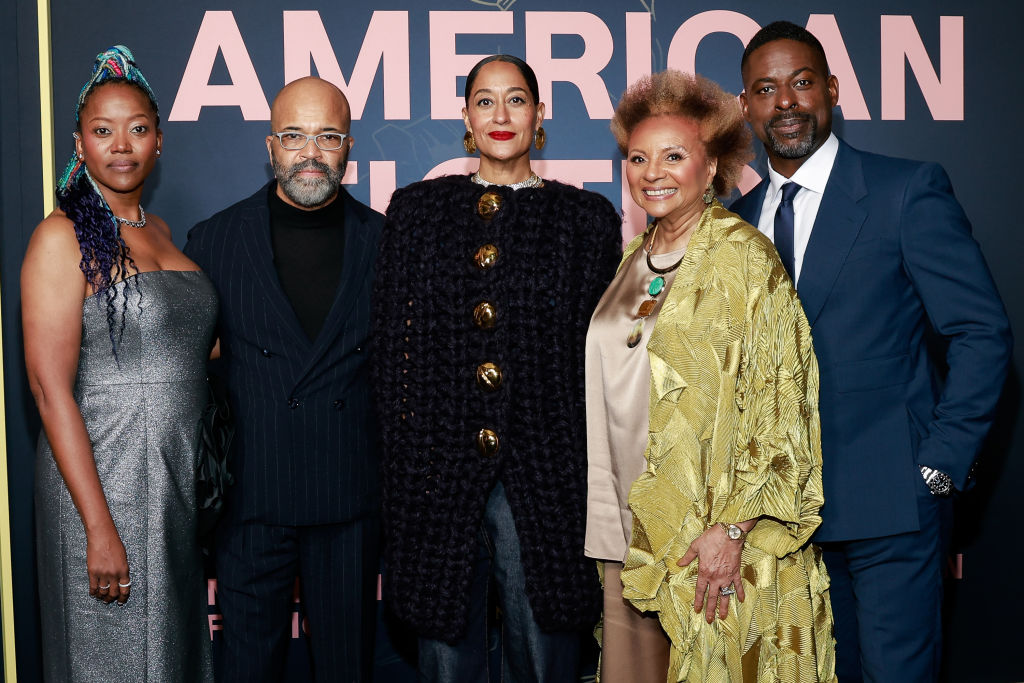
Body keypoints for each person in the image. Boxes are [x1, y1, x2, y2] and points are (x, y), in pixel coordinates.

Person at [730, 21, 1012, 682]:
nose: (787, 102)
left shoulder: (904, 191)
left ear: (830, 89)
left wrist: (939, 465)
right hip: (780, 523)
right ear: (745, 107)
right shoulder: (734, 223)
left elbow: (981, 331)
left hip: (891, 508)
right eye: (766, 90)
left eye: (802, 82)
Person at [372, 54, 622, 682]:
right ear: (465, 116)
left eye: (517, 99)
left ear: (541, 114)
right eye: (485, 100)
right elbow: (393, 350)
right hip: (436, 470)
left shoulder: (586, 221)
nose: (501, 114)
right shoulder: (416, 213)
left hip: (546, 470)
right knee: (445, 652)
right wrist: (406, 459)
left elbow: (601, 359)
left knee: (543, 648)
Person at [585, 68, 835, 682]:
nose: (653, 172)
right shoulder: (633, 260)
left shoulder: (744, 260)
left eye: (674, 156)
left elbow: (785, 409)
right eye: (638, 158)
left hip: (708, 546)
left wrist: (732, 530)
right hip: (625, 533)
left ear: (713, 163)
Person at [23, 46, 215, 682]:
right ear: (80, 143)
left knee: (168, 659)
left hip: (171, 493)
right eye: (103, 131)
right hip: (100, 487)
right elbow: (51, 392)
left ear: (159, 139)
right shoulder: (62, 237)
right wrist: (99, 527)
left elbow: (183, 347)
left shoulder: (160, 231)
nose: (122, 145)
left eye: (137, 129)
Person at [184, 76, 383, 682]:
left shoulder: (388, 240)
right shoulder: (214, 241)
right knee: (246, 666)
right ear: (270, 146)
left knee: (347, 669)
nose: (310, 153)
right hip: (251, 499)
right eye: (294, 136)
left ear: (348, 147)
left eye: (327, 136)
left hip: (349, 498)